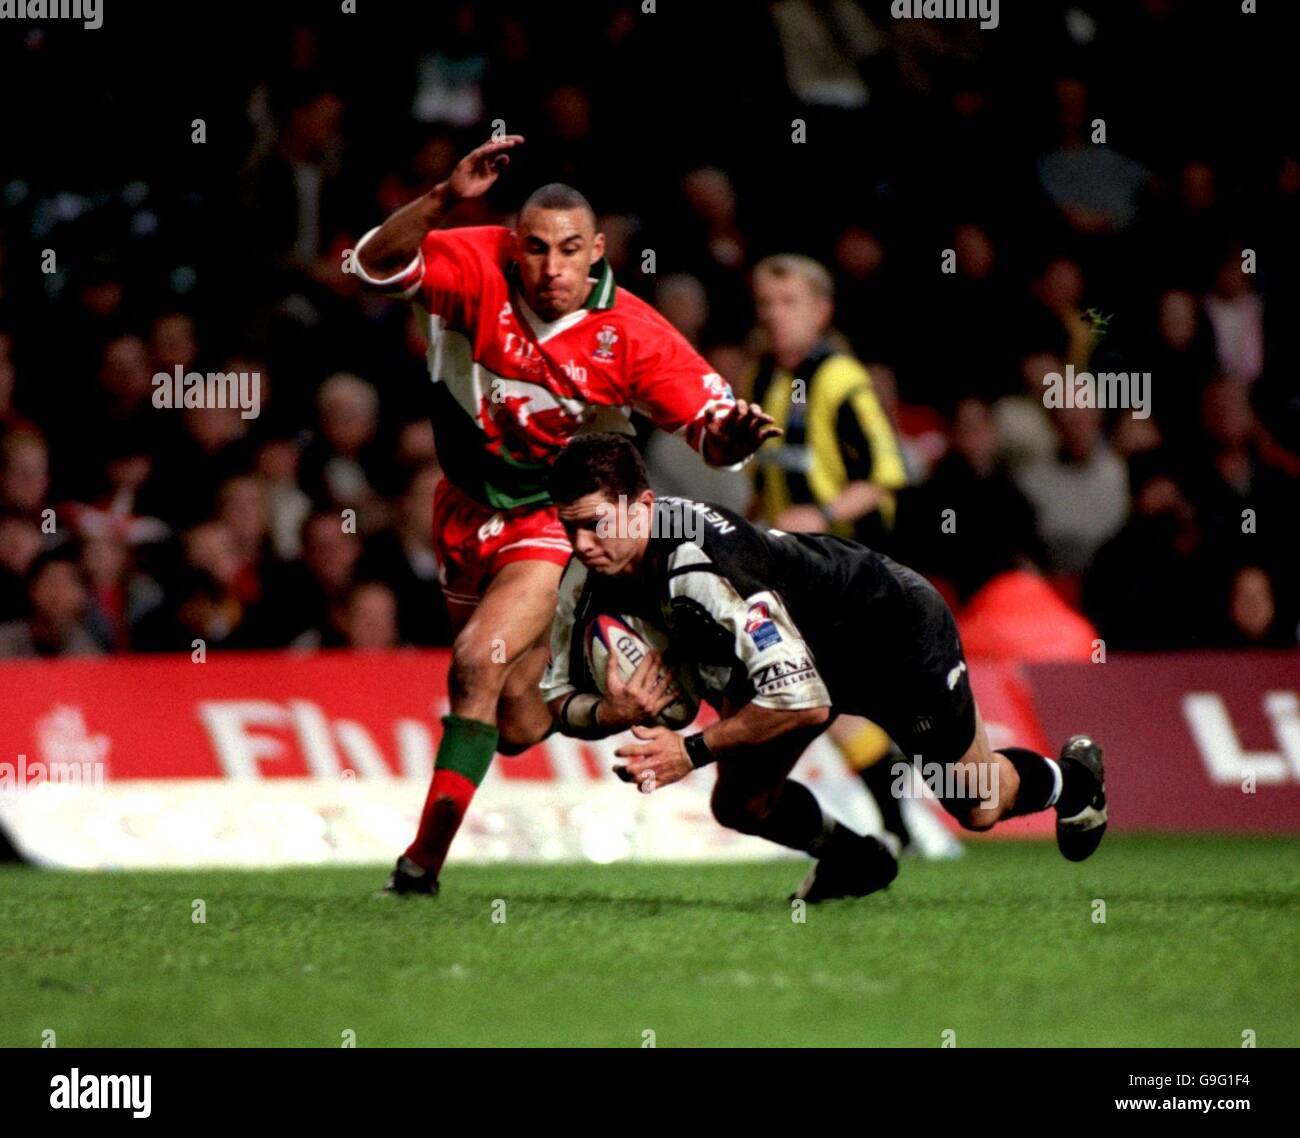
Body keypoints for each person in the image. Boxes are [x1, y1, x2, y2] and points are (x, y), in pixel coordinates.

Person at [354, 136, 779, 895]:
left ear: (598, 252)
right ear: (516, 246)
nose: (552, 269)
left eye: (571, 250)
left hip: (554, 522)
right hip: (460, 509)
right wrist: (446, 199)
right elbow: (373, 265)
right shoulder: (475, 263)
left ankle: (419, 867)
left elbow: (712, 427)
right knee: (513, 720)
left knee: (475, 661)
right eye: (538, 249)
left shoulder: (633, 334)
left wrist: (733, 437)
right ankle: (614, 699)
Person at [541, 434, 1109, 902]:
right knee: (740, 804)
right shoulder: (583, 578)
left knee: (976, 804)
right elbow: (557, 701)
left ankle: (1073, 781)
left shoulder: (703, 566)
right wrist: (611, 710)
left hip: (889, 630)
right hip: (795, 653)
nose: (583, 544)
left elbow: (804, 702)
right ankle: (854, 859)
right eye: (570, 528)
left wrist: (688, 751)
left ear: (642, 508)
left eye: (596, 523)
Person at [746, 253, 923, 852]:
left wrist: (818, 515)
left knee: (820, 699)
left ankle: (890, 830)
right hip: (792, 570)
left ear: (821, 311)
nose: (776, 316)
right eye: (767, 304)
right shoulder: (763, 378)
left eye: (790, 303)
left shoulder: (842, 380)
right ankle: (897, 830)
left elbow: (887, 474)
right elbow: (765, 479)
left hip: (851, 570)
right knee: (824, 701)